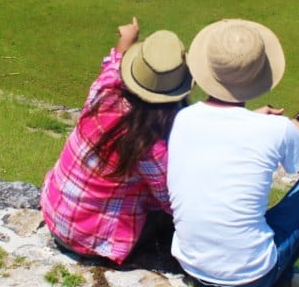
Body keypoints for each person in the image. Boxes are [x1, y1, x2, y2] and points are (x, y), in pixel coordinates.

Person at [167, 19, 299, 287]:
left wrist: (252, 119)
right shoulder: (278, 129)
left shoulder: (184, 118)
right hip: (249, 277)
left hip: (192, 262)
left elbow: (224, 133)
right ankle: (280, 277)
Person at [40, 16, 193, 268]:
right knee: (167, 215)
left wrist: (127, 38)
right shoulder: (151, 144)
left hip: (56, 214)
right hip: (92, 239)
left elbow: (113, 65)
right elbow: (170, 200)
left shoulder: (105, 90)